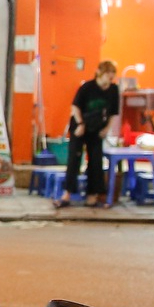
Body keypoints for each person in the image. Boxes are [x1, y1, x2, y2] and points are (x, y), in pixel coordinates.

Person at [60, 60, 121, 209]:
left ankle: (92, 194)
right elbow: (75, 107)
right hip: (80, 126)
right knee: (74, 158)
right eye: (108, 74)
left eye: (112, 75)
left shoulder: (113, 90)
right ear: (100, 73)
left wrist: (107, 129)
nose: (110, 78)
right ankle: (67, 193)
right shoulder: (87, 87)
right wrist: (81, 124)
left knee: (95, 160)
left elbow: (113, 112)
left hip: (97, 128)